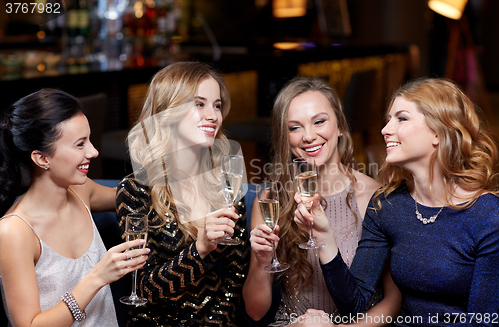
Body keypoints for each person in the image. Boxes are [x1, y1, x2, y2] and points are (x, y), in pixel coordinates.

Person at [295, 77, 499, 326]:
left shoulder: (488, 214)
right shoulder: (387, 205)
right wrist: (324, 236)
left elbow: (486, 321)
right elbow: (354, 303)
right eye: (389, 119)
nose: (385, 129)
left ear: (438, 132)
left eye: (401, 118)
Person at [243, 76, 401, 326]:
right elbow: (255, 311)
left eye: (319, 121)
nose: (308, 136)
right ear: (284, 137)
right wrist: (262, 261)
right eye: (294, 127)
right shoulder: (271, 200)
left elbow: (393, 302)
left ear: (339, 126)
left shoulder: (377, 197)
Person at [116, 61, 250, 326]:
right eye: (199, 104)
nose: (213, 115)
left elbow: (235, 281)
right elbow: (141, 289)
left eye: (217, 105)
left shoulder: (227, 185)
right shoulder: (136, 190)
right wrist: (200, 249)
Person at [0, 88, 149, 327]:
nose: (94, 151)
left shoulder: (81, 191)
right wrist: (98, 277)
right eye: (80, 144)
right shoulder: (14, 231)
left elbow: (137, 198)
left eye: (89, 140)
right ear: (42, 159)